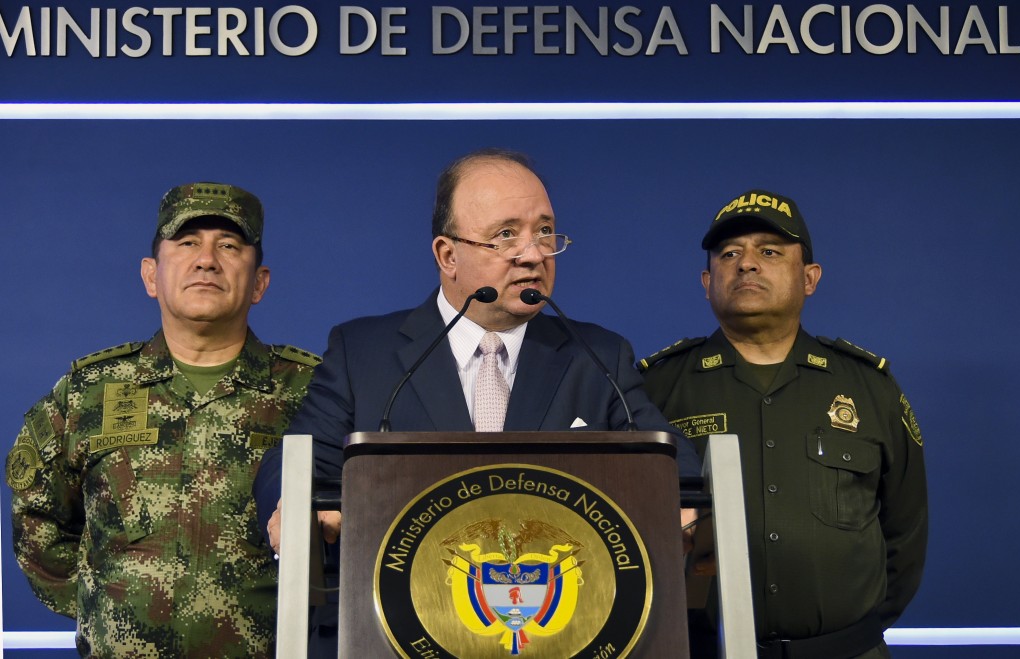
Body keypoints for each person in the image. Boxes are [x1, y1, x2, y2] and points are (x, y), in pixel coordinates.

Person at [253, 147, 701, 655]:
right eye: (505, 235)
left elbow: (673, 465)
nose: (533, 254)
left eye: (545, 232)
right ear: (447, 255)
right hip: (393, 633)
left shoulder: (595, 355)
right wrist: (293, 504)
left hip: (560, 638)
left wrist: (685, 506)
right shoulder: (365, 353)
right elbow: (294, 460)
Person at [7, 182, 320, 657]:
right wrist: (109, 604)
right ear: (151, 275)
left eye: (230, 246)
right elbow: (37, 521)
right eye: (188, 243)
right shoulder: (90, 391)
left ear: (259, 282)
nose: (207, 260)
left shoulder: (312, 391)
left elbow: (355, 528)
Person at [640, 189, 928, 658]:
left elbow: (906, 530)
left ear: (810, 278)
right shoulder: (655, 389)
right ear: (706, 280)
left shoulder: (869, 388)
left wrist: (845, 636)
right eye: (729, 254)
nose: (747, 264)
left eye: (770, 252)